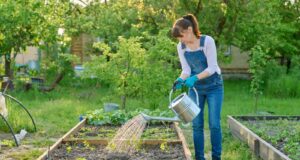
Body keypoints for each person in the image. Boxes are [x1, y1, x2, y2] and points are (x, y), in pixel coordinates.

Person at [172, 14, 224, 160]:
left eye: (181, 36)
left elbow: (213, 67)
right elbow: (186, 70)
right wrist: (180, 79)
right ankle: (199, 157)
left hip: (214, 87)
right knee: (197, 124)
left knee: (214, 124)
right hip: (196, 90)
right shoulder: (181, 47)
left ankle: (216, 157)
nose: (180, 40)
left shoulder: (207, 41)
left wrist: (194, 77)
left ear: (189, 30)